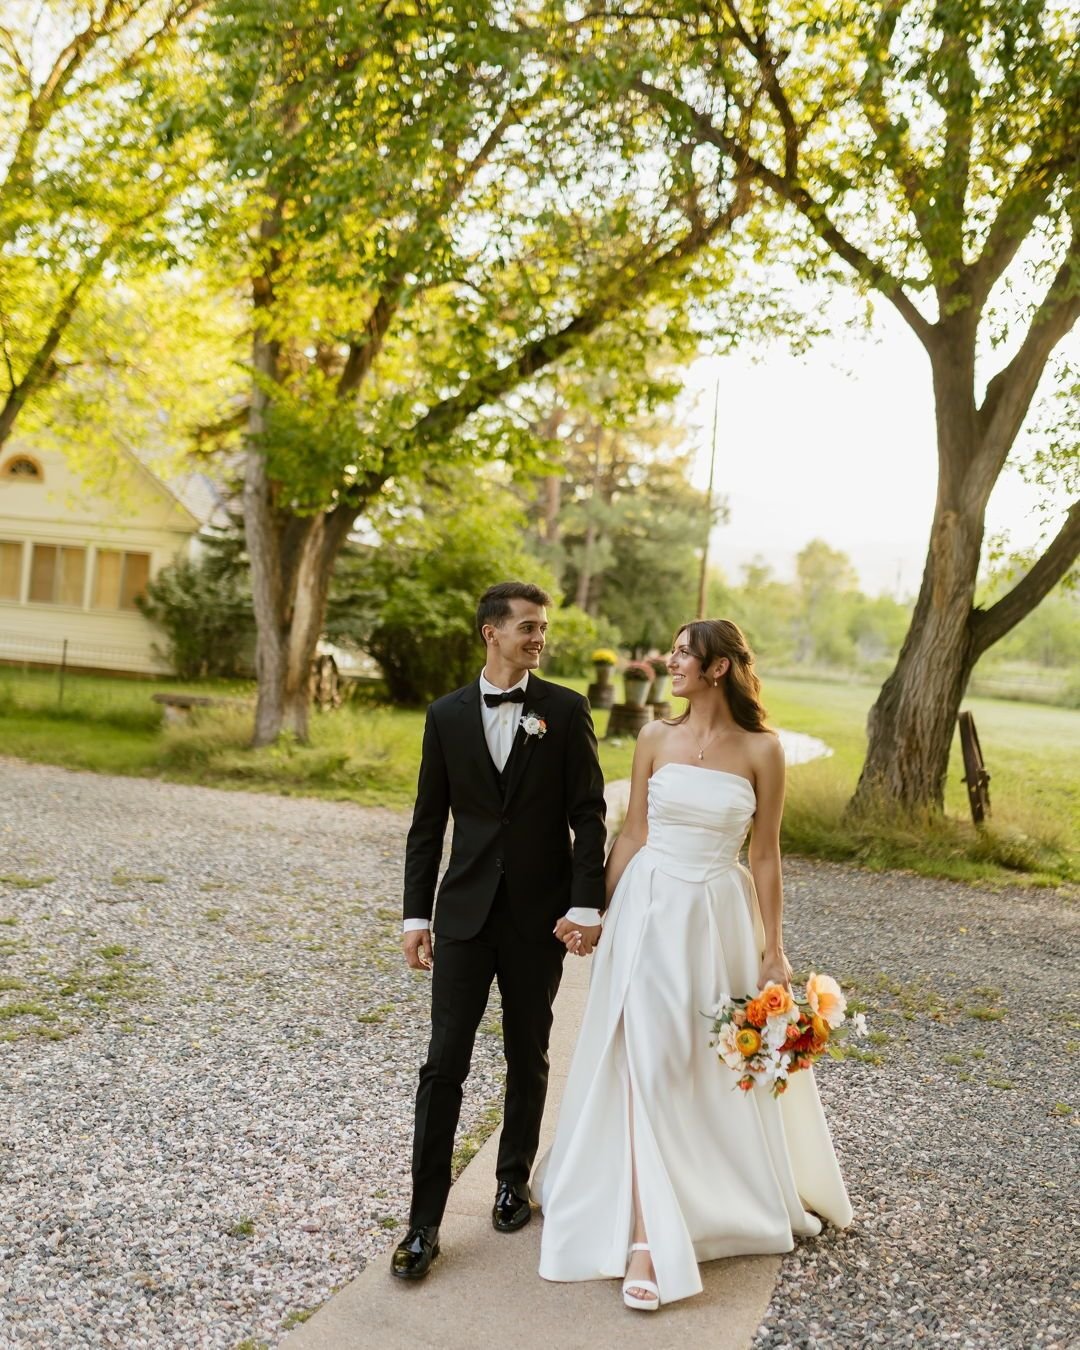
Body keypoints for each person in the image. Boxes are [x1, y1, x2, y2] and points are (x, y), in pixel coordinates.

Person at [535, 619, 852, 1310]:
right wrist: (593, 910)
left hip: (715, 918)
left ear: (718, 669)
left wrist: (775, 948)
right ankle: (648, 1238)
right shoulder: (654, 738)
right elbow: (635, 832)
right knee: (642, 1057)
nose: (669, 661)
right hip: (647, 911)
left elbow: (764, 853)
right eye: (673, 652)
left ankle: (708, 1195)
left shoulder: (764, 750)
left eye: (682, 653)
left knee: (692, 1059)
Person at [391, 581, 608, 1280]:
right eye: (527, 627)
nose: (538, 638)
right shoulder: (446, 715)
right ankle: (423, 1222)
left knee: (529, 1050)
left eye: (542, 628)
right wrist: (416, 915)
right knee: (442, 1063)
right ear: (491, 632)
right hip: (462, 917)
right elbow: (428, 825)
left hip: (536, 918)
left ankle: (512, 1178)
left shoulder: (566, 713)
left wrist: (584, 906)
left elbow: (589, 818)